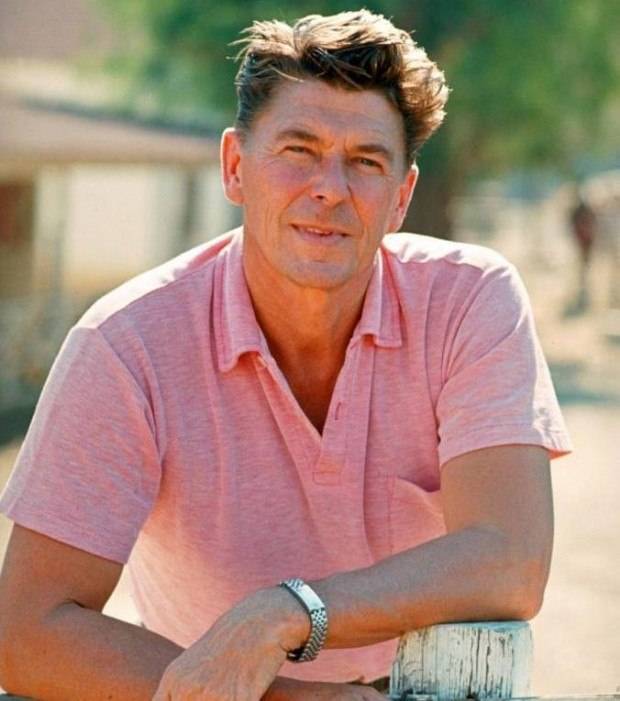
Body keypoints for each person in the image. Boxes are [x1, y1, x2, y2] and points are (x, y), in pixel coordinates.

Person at [0, 10, 571, 701]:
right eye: (299, 150)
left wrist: (288, 611)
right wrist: (293, 699)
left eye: (366, 161)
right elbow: (27, 630)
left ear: (401, 198)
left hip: (432, 690)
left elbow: (511, 559)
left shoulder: (469, 300)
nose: (330, 187)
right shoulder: (126, 346)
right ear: (235, 168)